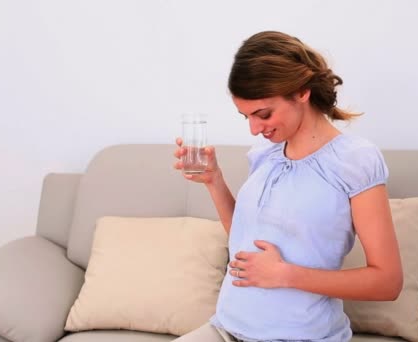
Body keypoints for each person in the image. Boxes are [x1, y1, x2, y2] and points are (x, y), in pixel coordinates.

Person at [172, 31, 403, 342]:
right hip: (226, 328)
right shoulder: (265, 155)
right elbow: (246, 241)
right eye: (246, 117)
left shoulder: (355, 161)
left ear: (301, 93)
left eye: (263, 114)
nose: (255, 129)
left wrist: (285, 275)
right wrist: (214, 181)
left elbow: (387, 282)